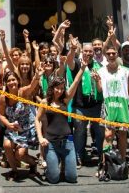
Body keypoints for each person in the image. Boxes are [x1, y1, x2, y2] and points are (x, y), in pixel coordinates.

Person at [36, 38, 85, 184]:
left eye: (61, 88)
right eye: (57, 88)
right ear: (52, 88)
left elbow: (75, 82)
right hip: (51, 143)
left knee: (72, 178)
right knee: (54, 179)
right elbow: (37, 119)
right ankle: (52, 165)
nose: (59, 90)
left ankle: (64, 163)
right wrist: (40, 138)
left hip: (68, 142)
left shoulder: (65, 100)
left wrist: (82, 68)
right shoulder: (45, 102)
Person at [97, 41, 129, 169]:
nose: (111, 55)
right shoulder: (101, 71)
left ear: (117, 55)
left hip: (123, 105)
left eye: (113, 53)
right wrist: (97, 81)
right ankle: (105, 165)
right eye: (108, 54)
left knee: (123, 135)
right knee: (108, 135)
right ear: (105, 55)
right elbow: (100, 90)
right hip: (108, 104)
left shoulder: (126, 71)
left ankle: (122, 164)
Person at [66, 41, 104, 167]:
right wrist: (72, 48)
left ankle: (102, 158)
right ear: (82, 52)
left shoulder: (99, 66)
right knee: (80, 132)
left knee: (99, 132)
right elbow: (69, 60)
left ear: (93, 53)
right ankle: (79, 157)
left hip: (96, 105)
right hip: (80, 106)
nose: (88, 53)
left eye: (90, 51)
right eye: (85, 51)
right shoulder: (77, 63)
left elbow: (102, 86)